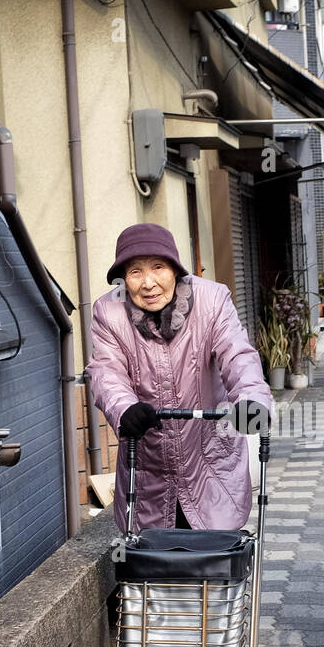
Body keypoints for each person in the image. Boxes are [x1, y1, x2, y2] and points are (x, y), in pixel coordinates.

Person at [85, 223, 272, 534]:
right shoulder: (109, 312)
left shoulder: (212, 300)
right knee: (157, 569)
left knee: (215, 565)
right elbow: (106, 371)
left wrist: (251, 399)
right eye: (135, 272)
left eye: (158, 267)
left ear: (175, 269)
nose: (148, 282)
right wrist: (124, 408)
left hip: (210, 459)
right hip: (148, 467)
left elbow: (237, 355)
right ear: (124, 279)